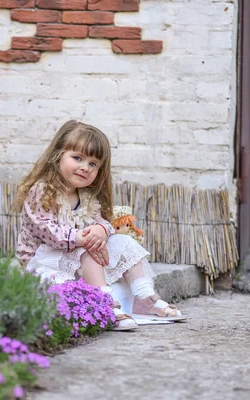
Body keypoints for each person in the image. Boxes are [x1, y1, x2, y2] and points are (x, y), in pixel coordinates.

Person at [13, 120, 185, 327]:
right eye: (77, 158)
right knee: (87, 246)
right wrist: (82, 238)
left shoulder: (85, 196)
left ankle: (144, 297)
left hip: (75, 253)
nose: (85, 167)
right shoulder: (42, 191)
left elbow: (101, 221)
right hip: (43, 260)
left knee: (124, 243)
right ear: (57, 155)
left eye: (93, 164)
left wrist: (101, 229)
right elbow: (45, 228)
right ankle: (103, 304)